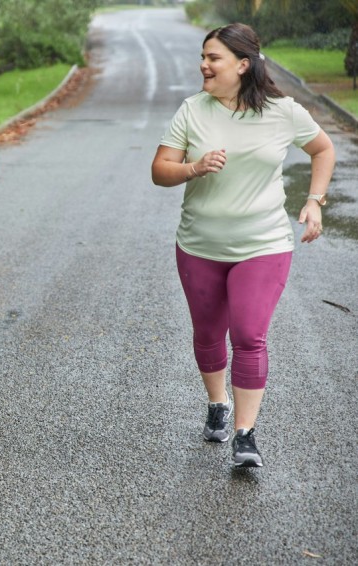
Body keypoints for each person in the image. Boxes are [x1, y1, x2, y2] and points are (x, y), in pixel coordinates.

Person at [151, 23, 335, 467]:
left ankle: (245, 435)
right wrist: (194, 169)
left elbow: (323, 149)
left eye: (213, 58)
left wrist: (314, 202)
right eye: (203, 57)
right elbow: (160, 171)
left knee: (249, 335)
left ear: (242, 64)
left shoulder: (284, 112)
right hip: (200, 244)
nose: (204, 65)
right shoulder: (192, 110)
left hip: (264, 243)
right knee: (208, 334)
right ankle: (218, 403)